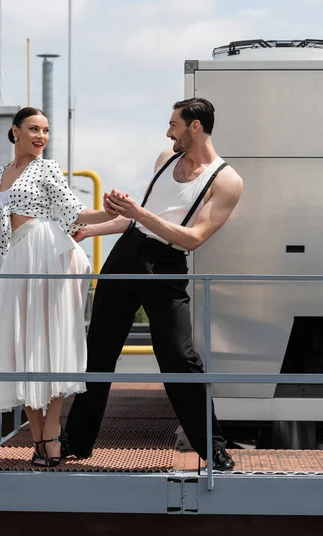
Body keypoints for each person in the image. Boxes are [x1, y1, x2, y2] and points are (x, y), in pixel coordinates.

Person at [66, 97, 243, 471]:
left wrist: (139, 213)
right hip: (127, 254)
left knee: (180, 357)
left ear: (195, 126)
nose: (168, 132)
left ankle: (212, 447)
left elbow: (193, 238)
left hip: (166, 262)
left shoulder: (227, 180)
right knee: (98, 350)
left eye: (174, 124)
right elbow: (139, 221)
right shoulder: (166, 159)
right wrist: (93, 229)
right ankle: (75, 442)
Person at [0, 106, 115, 468]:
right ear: (15, 132)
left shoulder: (48, 168)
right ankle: (39, 436)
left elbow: (74, 213)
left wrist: (110, 212)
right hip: (19, 260)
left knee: (49, 344)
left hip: (50, 254)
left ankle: (50, 437)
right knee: (20, 346)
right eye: (34, 129)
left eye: (46, 130)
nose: (41, 136)